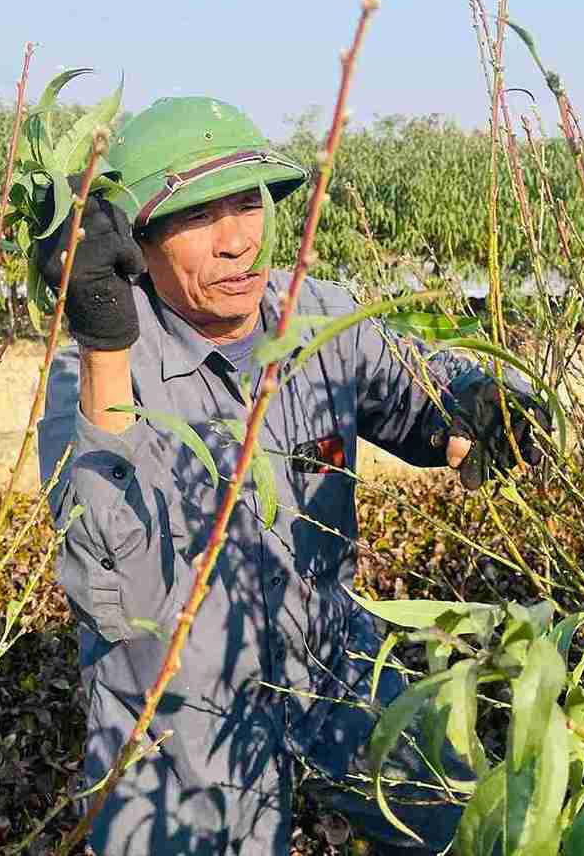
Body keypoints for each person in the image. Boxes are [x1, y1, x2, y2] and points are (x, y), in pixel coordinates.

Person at [35, 96, 547, 855]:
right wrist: (105, 340)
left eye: (249, 204)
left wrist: (483, 401)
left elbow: (422, 390)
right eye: (199, 216)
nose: (239, 240)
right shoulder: (101, 373)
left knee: (480, 827)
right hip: (180, 718)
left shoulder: (318, 320)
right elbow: (117, 598)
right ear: (139, 242)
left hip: (333, 662)